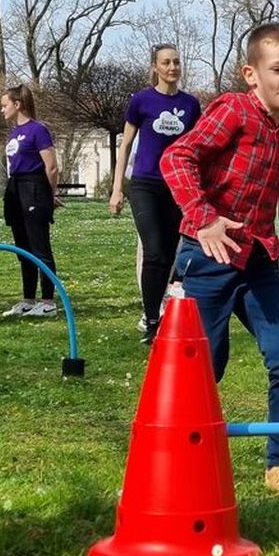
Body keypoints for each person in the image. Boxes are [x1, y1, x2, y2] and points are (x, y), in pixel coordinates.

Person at [161, 22, 279, 501]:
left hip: (258, 261)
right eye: (277, 70)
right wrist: (203, 217)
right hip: (207, 255)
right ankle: (177, 462)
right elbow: (177, 157)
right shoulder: (233, 110)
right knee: (203, 367)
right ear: (250, 74)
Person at [109, 43, 202, 343]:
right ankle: (150, 320)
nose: (172, 67)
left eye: (176, 62)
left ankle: (159, 315)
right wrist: (116, 189)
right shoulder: (141, 101)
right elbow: (125, 146)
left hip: (176, 187)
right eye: (166, 62)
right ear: (155, 67)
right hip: (145, 184)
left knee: (168, 257)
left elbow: (196, 148)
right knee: (154, 251)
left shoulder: (191, 105)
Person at [0, 84, 60, 318]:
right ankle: (28, 298)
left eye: (4, 105)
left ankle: (47, 300)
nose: (2, 110)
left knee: (39, 246)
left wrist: (49, 194)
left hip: (34, 187)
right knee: (23, 248)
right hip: (15, 187)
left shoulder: (38, 130)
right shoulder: (13, 132)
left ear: (18, 105)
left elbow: (52, 167)